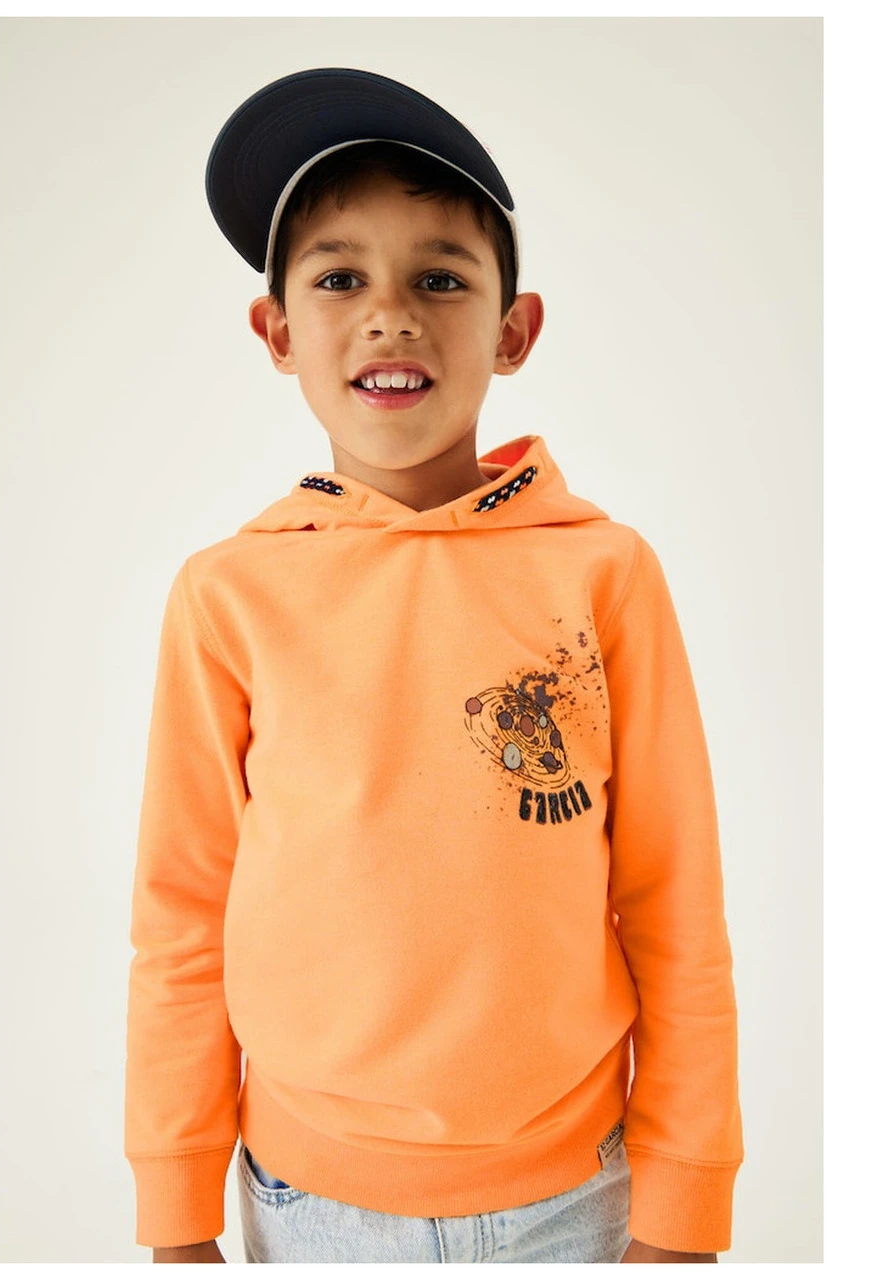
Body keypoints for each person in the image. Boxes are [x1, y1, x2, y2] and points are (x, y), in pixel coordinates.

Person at [124, 67, 743, 1264]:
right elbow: (183, 917)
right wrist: (175, 1210)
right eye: (338, 277)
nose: (390, 314)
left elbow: (675, 902)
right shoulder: (227, 594)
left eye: (441, 278)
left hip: (577, 1194)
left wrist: (683, 1203)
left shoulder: (603, 573)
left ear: (513, 331)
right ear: (276, 332)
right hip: (309, 1201)